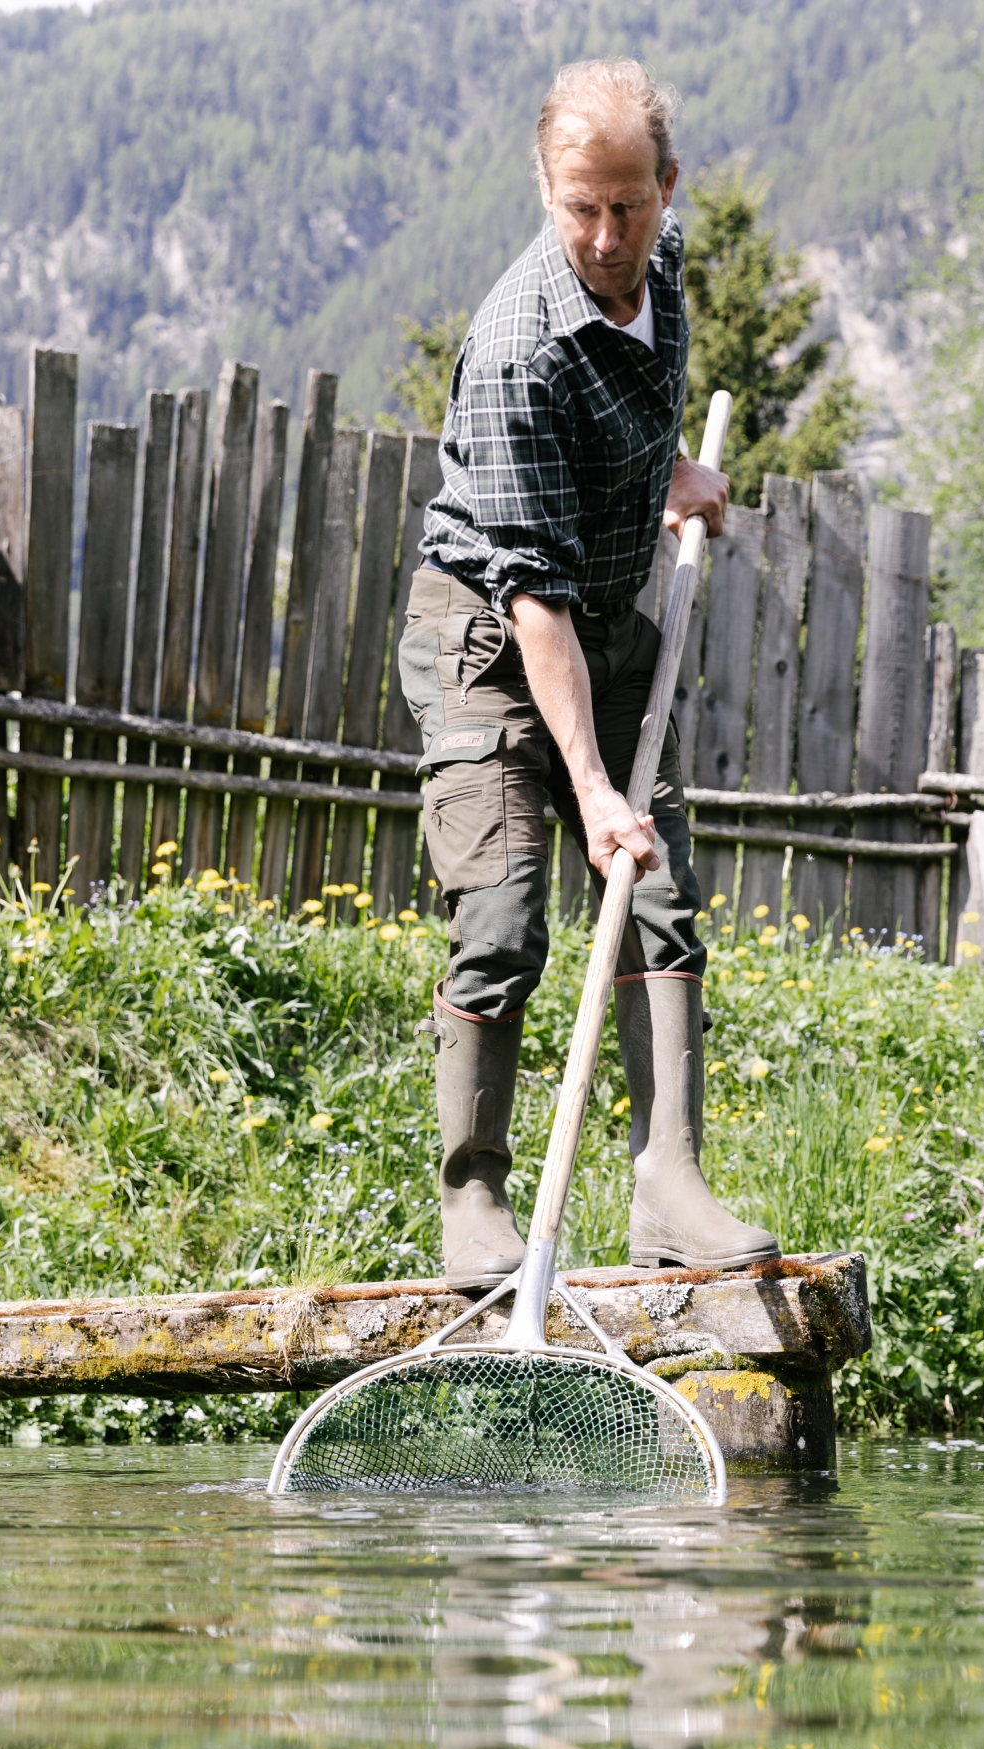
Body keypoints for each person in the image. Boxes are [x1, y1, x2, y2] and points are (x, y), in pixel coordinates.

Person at [398, 57, 781, 1286]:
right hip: (491, 640)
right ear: (545, 191)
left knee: (658, 899)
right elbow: (531, 604)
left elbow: (633, 394)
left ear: (667, 187)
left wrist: (665, 469)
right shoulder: (516, 351)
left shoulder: (656, 260)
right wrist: (593, 788)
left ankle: (669, 1186)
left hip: (605, 620)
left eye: (629, 204)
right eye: (580, 208)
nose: (607, 238)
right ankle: (474, 1205)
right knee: (506, 911)